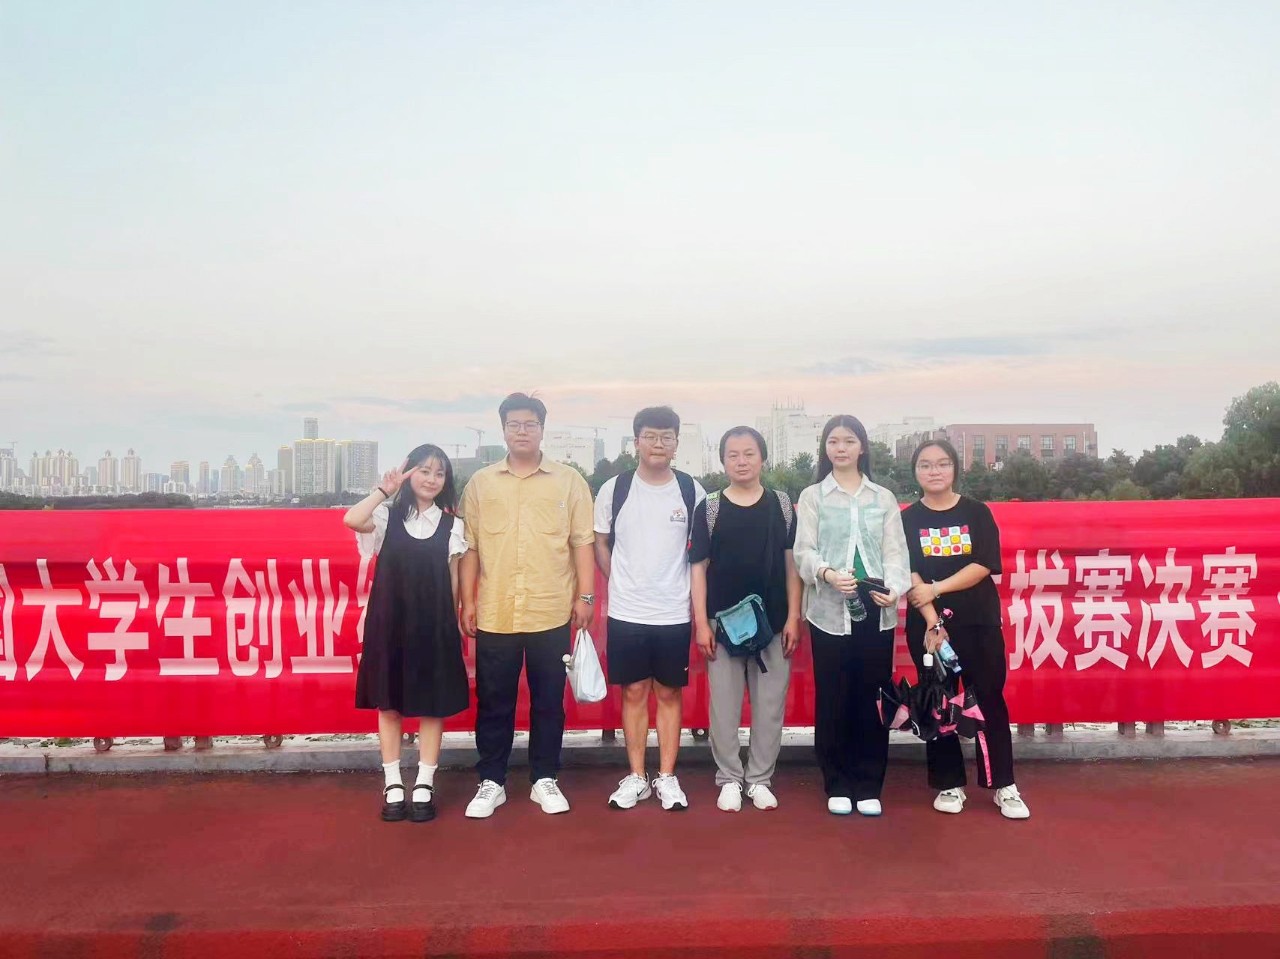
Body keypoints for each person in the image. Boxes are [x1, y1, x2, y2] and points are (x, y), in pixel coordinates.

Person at [458, 393, 596, 818]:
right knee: (493, 700)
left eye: (530, 424)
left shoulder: (568, 481)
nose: (522, 431)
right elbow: (470, 547)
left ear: (542, 429)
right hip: (496, 610)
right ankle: (491, 780)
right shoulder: (481, 483)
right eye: (514, 424)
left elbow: (582, 542)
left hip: (550, 610)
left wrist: (586, 596)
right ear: (503, 429)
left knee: (548, 700)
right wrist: (467, 600)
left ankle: (544, 778)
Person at [901, 438, 1030, 820]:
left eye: (942, 463)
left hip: (978, 622)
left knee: (988, 699)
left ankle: (1003, 783)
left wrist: (937, 589)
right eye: (926, 464)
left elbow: (983, 564)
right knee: (939, 703)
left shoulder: (977, 512)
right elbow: (909, 572)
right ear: (915, 472)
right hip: (930, 628)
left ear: (955, 468)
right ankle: (949, 783)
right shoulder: (907, 520)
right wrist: (932, 619)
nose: (934, 471)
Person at [343, 445, 469, 823]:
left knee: (432, 705)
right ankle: (393, 782)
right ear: (409, 472)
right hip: (390, 622)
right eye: (424, 471)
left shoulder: (452, 525)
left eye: (439, 473)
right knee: (389, 702)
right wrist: (385, 490)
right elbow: (352, 519)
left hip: (435, 624)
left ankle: (425, 781)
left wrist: (452, 622)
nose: (431, 479)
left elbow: (454, 581)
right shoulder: (387, 516)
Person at [794, 415, 910, 817]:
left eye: (848, 441)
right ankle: (837, 781)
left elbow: (896, 552)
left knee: (872, 694)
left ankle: (869, 781)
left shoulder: (883, 497)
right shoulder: (814, 496)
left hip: (876, 605)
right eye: (833, 441)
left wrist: (894, 588)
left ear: (862, 447)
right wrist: (826, 573)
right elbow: (803, 551)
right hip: (829, 607)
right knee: (834, 694)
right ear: (824, 448)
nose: (840, 448)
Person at [594, 406, 706, 811]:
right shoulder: (615, 489)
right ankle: (637, 776)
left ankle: (667, 777)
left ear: (676, 442)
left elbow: (700, 555)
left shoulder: (692, 491)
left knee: (669, 692)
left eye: (667, 437)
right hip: (627, 612)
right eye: (650, 436)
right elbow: (600, 541)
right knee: (634, 691)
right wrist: (620, 579)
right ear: (636, 441)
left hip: (674, 611)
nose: (659, 444)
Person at [689, 427, 801, 813]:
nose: (741, 462)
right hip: (723, 625)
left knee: (770, 706)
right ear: (722, 461)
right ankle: (729, 779)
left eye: (749, 453)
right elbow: (698, 567)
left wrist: (794, 616)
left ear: (763, 458)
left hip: (774, 623)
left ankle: (759, 779)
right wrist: (702, 622)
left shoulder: (781, 505)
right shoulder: (710, 508)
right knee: (724, 706)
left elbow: (792, 565)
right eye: (733, 455)